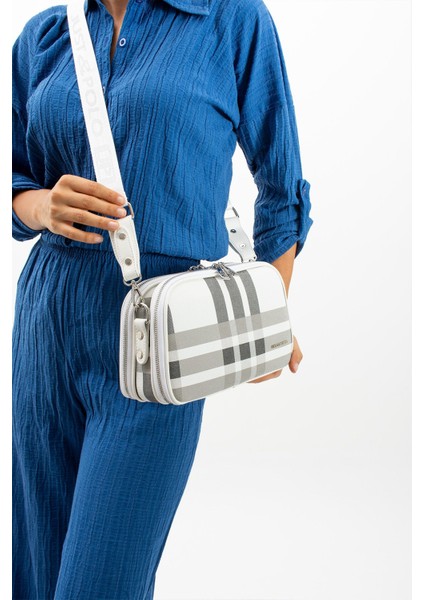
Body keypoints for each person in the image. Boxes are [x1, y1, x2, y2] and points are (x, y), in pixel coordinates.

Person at [12, 0, 314, 597]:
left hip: (163, 338)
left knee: (101, 583)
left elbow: (281, 185)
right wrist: (42, 205)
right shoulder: (43, 36)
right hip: (46, 325)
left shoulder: (230, 19)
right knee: (37, 577)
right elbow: (14, 176)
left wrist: (266, 316)